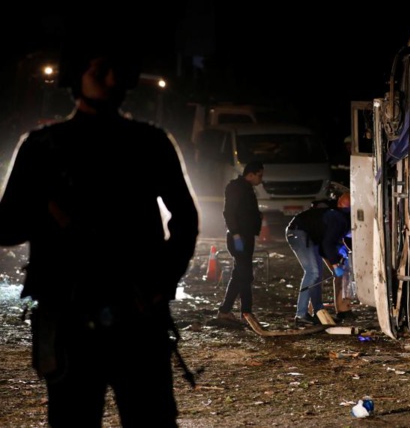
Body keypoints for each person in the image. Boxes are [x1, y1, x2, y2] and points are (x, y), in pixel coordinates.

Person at [0, 35, 200, 428]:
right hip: (69, 311)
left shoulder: (150, 143)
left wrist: (163, 281)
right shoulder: (43, 147)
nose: (111, 78)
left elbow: (186, 219)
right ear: (76, 77)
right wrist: (47, 209)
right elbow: (7, 227)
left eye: (117, 69)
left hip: (137, 308)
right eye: (99, 69)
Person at [285, 192, 352, 325]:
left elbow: (326, 244)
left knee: (317, 275)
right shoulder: (339, 220)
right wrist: (335, 265)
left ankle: (318, 311)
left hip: (308, 235)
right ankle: (301, 315)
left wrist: (339, 253)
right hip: (299, 233)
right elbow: (327, 243)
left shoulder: (337, 216)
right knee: (312, 272)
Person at [216, 160, 264, 322]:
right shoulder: (237, 188)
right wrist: (236, 234)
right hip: (239, 237)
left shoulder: (245, 188)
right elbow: (229, 212)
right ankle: (246, 312)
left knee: (240, 274)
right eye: (259, 175)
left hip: (244, 236)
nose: (261, 179)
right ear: (250, 175)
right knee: (245, 275)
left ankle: (225, 310)